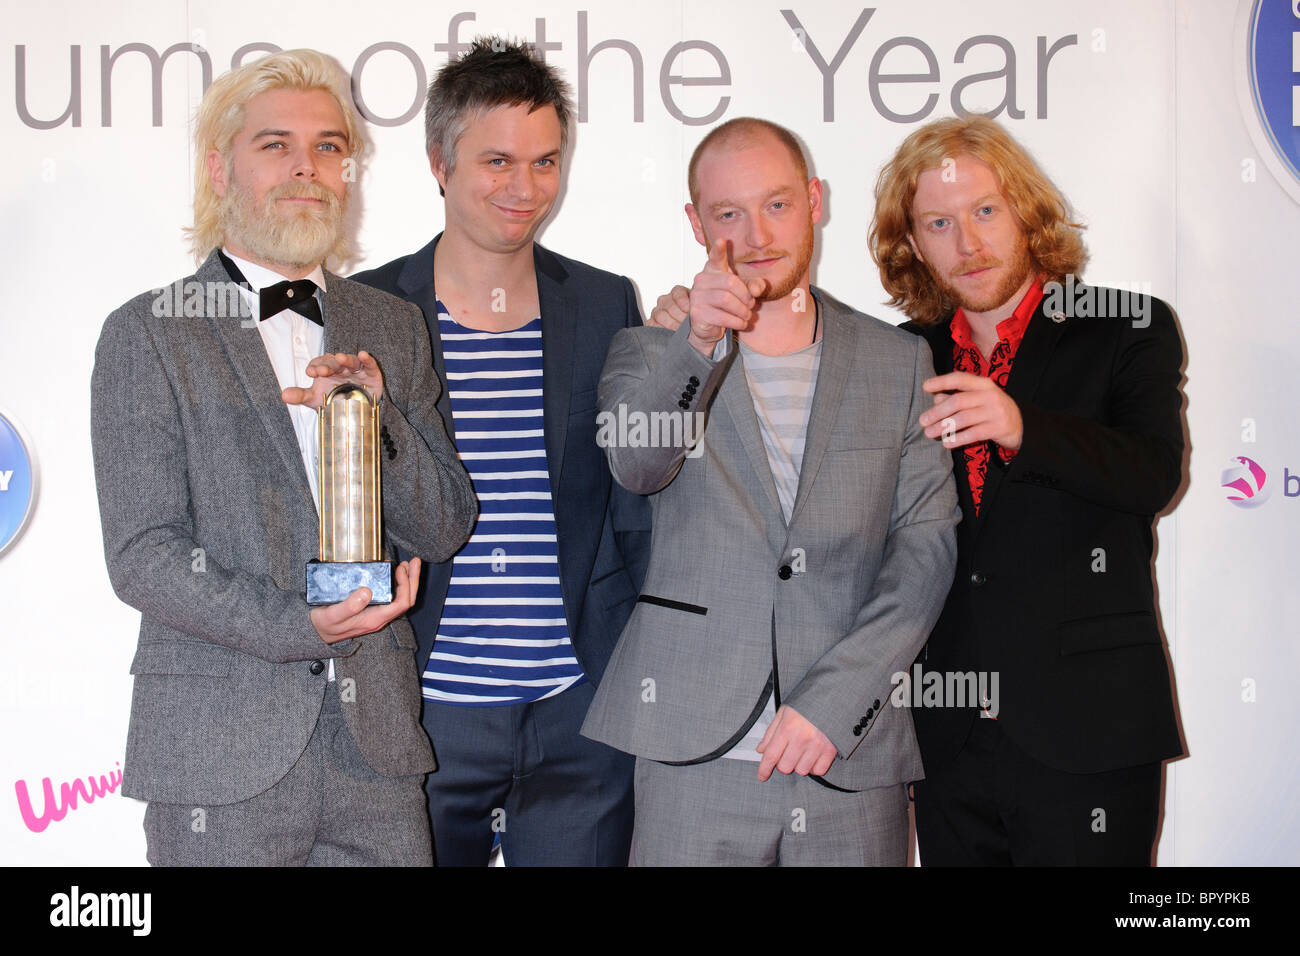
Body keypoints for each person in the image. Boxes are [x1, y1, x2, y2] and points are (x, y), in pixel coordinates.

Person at [90, 49, 477, 866]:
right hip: (218, 759)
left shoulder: (392, 324)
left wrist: (381, 424)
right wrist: (298, 625)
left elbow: (443, 527)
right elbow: (143, 556)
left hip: (376, 756)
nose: (308, 166)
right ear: (218, 167)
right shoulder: (150, 332)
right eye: (275, 145)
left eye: (330, 147)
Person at [581, 117, 959, 866]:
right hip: (692, 749)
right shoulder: (651, 350)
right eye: (729, 213)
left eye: (778, 204)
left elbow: (926, 548)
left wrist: (835, 704)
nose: (756, 233)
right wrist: (696, 342)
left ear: (815, 201)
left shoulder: (899, 362)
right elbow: (637, 464)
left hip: (846, 753)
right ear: (696, 224)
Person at [352, 38, 649, 866]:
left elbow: (635, 509)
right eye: (498, 161)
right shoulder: (368, 308)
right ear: (439, 162)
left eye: (546, 161)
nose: (526, 189)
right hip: (424, 714)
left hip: (578, 718)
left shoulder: (602, 301)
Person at [869, 115, 1185, 866]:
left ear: (1026, 211)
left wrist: (1022, 428)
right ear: (911, 242)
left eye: (985, 211)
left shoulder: (1126, 326)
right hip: (946, 736)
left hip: (1088, 730)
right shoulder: (900, 356)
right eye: (938, 223)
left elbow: (1153, 473)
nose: (968, 243)